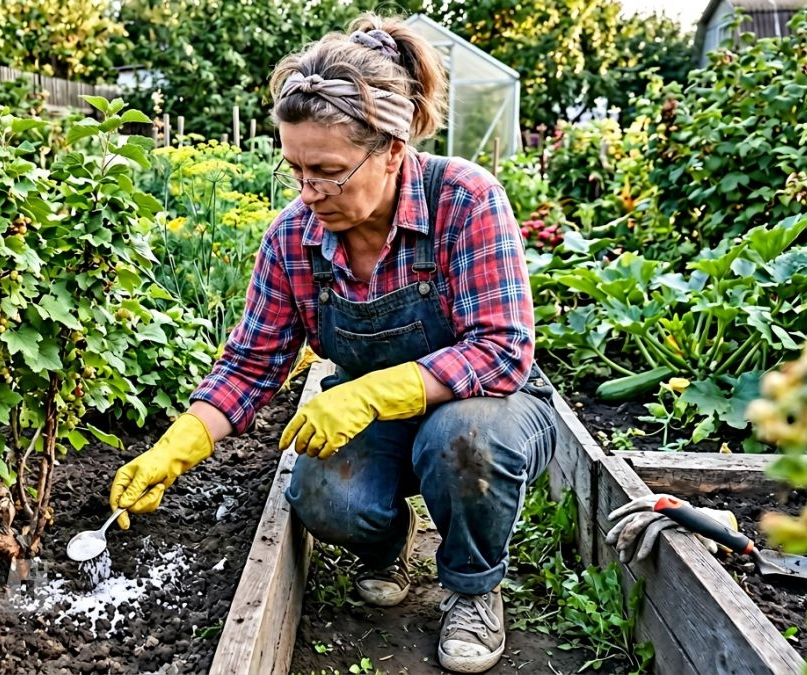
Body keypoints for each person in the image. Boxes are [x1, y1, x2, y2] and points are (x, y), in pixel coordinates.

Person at [109, 13, 558, 674]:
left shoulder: (464, 201)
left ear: (392, 152)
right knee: (323, 493)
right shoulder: (295, 238)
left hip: (490, 407)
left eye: (329, 172)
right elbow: (252, 364)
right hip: (379, 416)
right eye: (296, 170)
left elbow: (501, 349)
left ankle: (473, 585)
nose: (308, 192)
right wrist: (175, 449)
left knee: (463, 440)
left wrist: (375, 390)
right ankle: (385, 546)